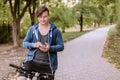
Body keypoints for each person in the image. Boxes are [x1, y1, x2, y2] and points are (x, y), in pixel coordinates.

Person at [17, 6, 64, 80]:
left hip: (48, 65)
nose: (42, 19)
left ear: (49, 16)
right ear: (37, 17)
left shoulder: (55, 31)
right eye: (40, 17)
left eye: (45, 17)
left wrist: (50, 48)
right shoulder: (32, 29)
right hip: (32, 61)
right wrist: (34, 44)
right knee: (21, 78)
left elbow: (61, 46)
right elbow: (25, 43)